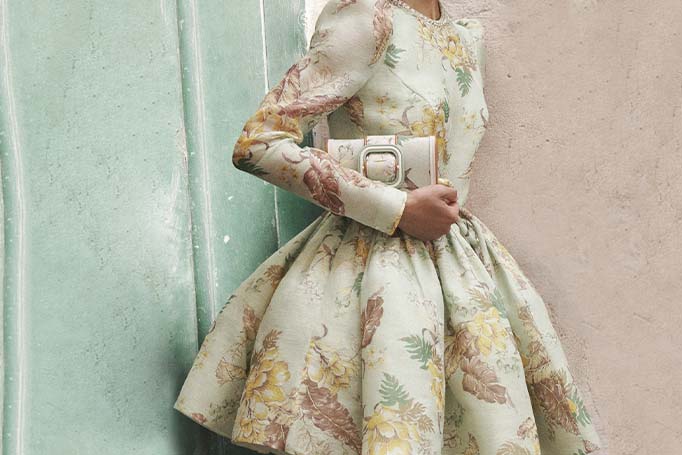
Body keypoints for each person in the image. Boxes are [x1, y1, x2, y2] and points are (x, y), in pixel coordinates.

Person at [173, 0, 603, 453]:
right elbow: (259, 144)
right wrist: (396, 207)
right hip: (367, 275)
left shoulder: (467, 38)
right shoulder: (365, 18)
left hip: (461, 267)